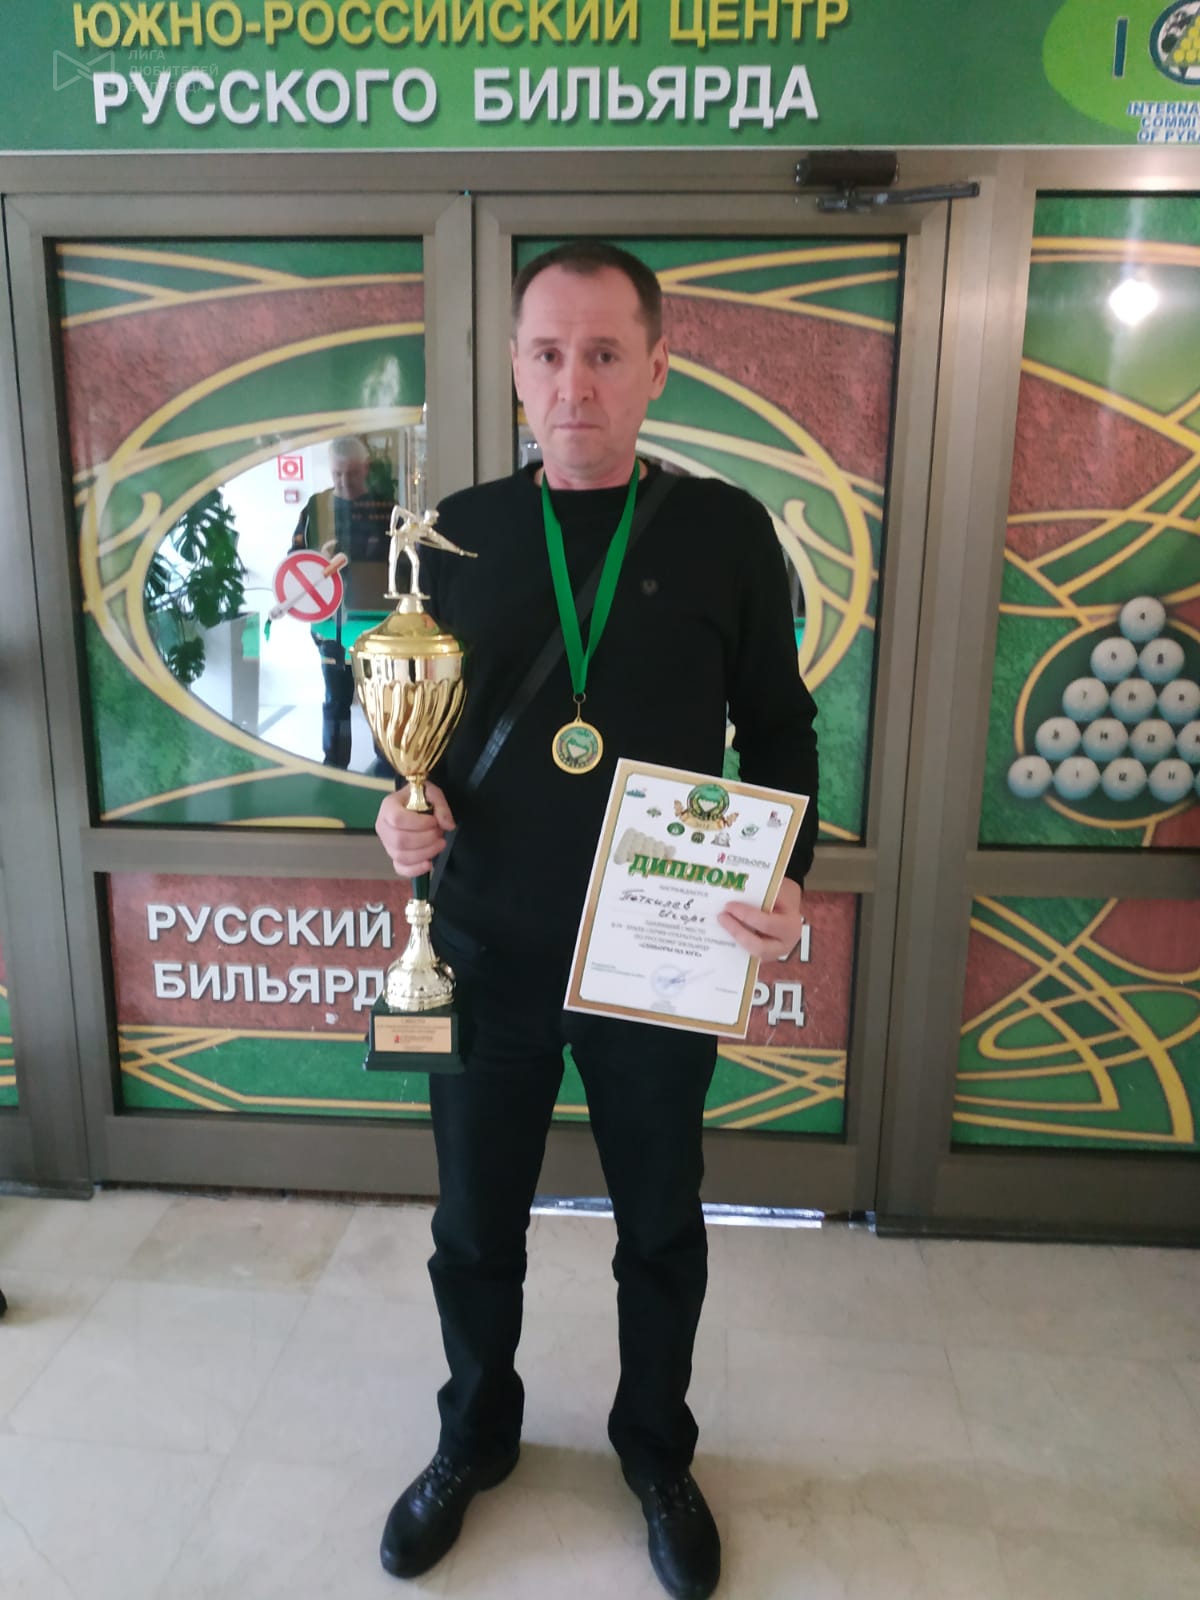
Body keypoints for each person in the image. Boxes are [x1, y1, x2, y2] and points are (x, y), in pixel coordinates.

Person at [374, 241, 819, 1600]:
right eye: (550, 353)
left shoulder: (725, 531)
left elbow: (781, 731)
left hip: (657, 960)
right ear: (517, 368)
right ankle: (474, 1434)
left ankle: (656, 1451)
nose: (576, 383)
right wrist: (397, 816)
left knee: (662, 1230)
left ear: (657, 366)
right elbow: (398, 733)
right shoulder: (456, 536)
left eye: (607, 353)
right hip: (486, 949)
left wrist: (788, 872)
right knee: (473, 1229)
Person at [290, 436, 394, 768]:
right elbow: (295, 559)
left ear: (365, 469)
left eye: (352, 474)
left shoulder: (385, 509)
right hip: (331, 622)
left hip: (376, 621)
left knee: (380, 700)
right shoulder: (316, 508)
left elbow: (401, 563)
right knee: (335, 700)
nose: (344, 482)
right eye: (337, 474)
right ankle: (334, 767)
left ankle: (386, 766)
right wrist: (318, 560)